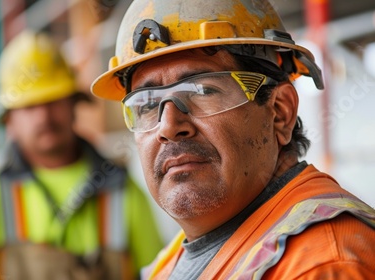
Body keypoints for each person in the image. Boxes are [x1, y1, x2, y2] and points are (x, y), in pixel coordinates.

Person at [91, 0, 375, 279]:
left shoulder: (324, 263)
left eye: (202, 91)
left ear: (280, 112)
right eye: (148, 104)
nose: (168, 126)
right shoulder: (178, 257)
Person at [0, 31, 163, 280]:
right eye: (30, 107)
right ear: (9, 119)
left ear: (74, 104)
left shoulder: (122, 190)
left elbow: (159, 274)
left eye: (53, 101)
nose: (44, 117)